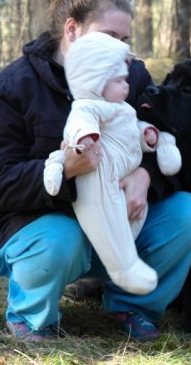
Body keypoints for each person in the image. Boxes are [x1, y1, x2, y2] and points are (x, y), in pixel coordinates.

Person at [0, 0, 191, 342]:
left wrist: (147, 176)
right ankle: (31, 316)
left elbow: (164, 144)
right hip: (36, 228)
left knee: (188, 213)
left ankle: (132, 304)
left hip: (118, 219)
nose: (120, 49)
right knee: (62, 236)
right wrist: (66, 171)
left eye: (124, 40)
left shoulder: (131, 75)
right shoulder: (12, 87)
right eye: (109, 36)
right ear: (72, 29)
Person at [43, 31, 182, 296]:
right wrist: (85, 138)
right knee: (105, 220)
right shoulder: (88, 106)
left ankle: (127, 298)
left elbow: (129, 128)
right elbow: (79, 123)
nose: (126, 85)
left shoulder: (123, 105)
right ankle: (124, 267)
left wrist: (147, 138)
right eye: (119, 80)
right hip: (100, 178)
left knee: (138, 220)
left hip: (124, 178)